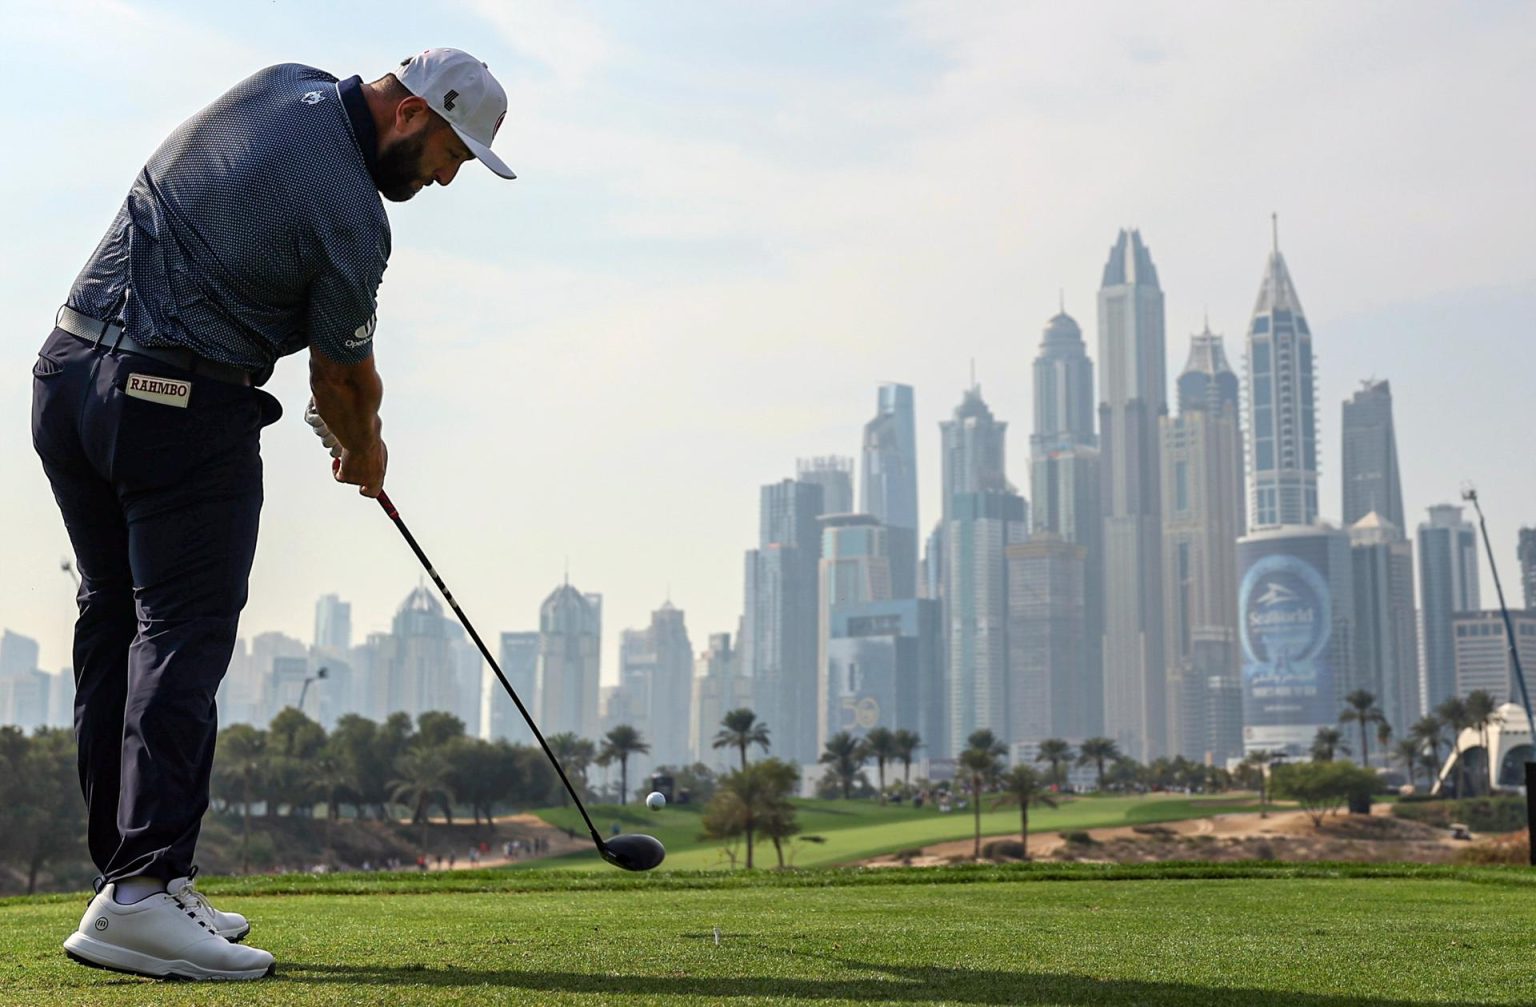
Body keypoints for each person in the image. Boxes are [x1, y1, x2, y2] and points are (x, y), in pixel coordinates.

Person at [33, 49, 514, 981]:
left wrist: (339, 421)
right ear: (414, 114)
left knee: (117, 618)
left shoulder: (275, 82)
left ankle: (137, 880)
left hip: (68, 378)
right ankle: (140, 890)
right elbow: (340, 375)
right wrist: (362, 449)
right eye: (454, 153)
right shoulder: (355, 215)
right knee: (182, 632)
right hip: (174, 403)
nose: (451, 177)